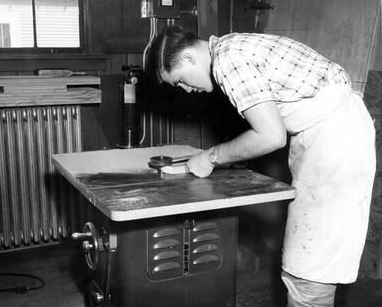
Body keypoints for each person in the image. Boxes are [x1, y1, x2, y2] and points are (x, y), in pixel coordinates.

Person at [146, 25, 376, 306]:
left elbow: (270, 136)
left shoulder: (228, 61)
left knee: (310, 267)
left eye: (179, 81)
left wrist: (210, 157)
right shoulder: (232, 46)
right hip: (329, 131)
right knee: (311, 262)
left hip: (334, 139)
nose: (186, 90)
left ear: (187, 59)